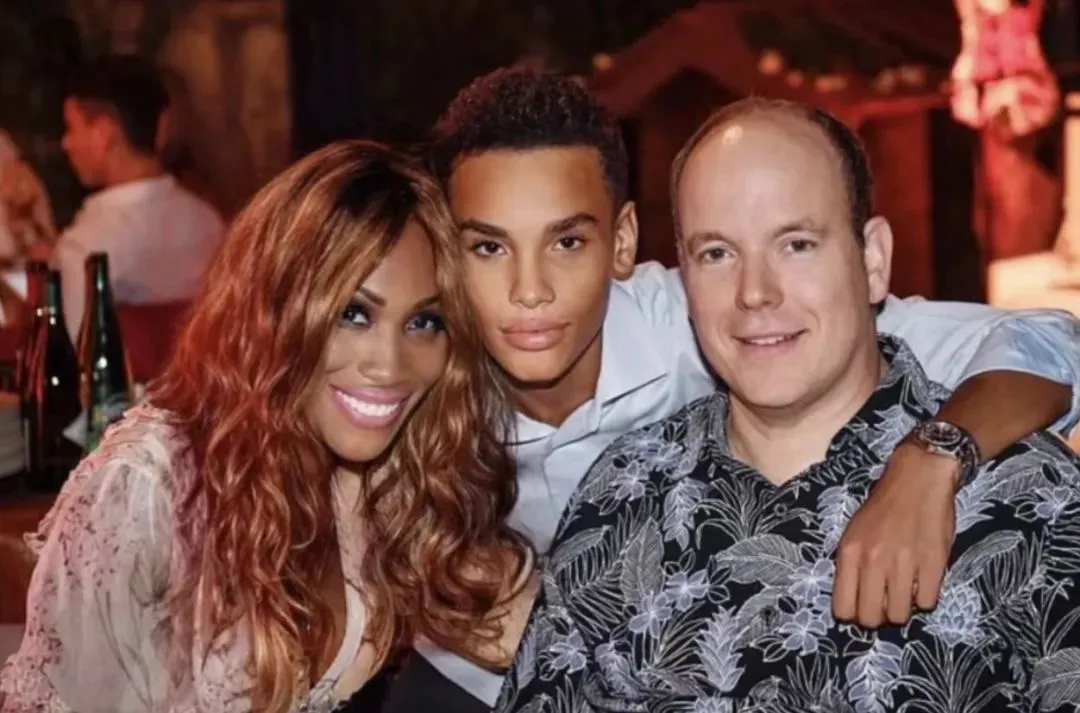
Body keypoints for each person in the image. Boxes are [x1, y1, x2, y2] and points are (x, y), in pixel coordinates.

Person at [381, 66, 1080, 712]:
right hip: (462, 664)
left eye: (796, 244)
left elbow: (1044, 340)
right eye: (717, 253)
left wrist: (932, 457)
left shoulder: (689, 328)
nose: (755, 293)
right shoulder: (422, 377)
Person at [0, 141, 531, 712]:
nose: (390, 366)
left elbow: (528, 632)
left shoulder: (385, 482)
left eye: (424, 322)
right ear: (275, 311)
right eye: (353, 313)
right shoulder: (152, 488)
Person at [39, 54, 223, 338]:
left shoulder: (86, 249)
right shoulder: (209, 225)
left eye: (72, 128)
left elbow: (76, 353)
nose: (66, 143)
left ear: (104, 134)